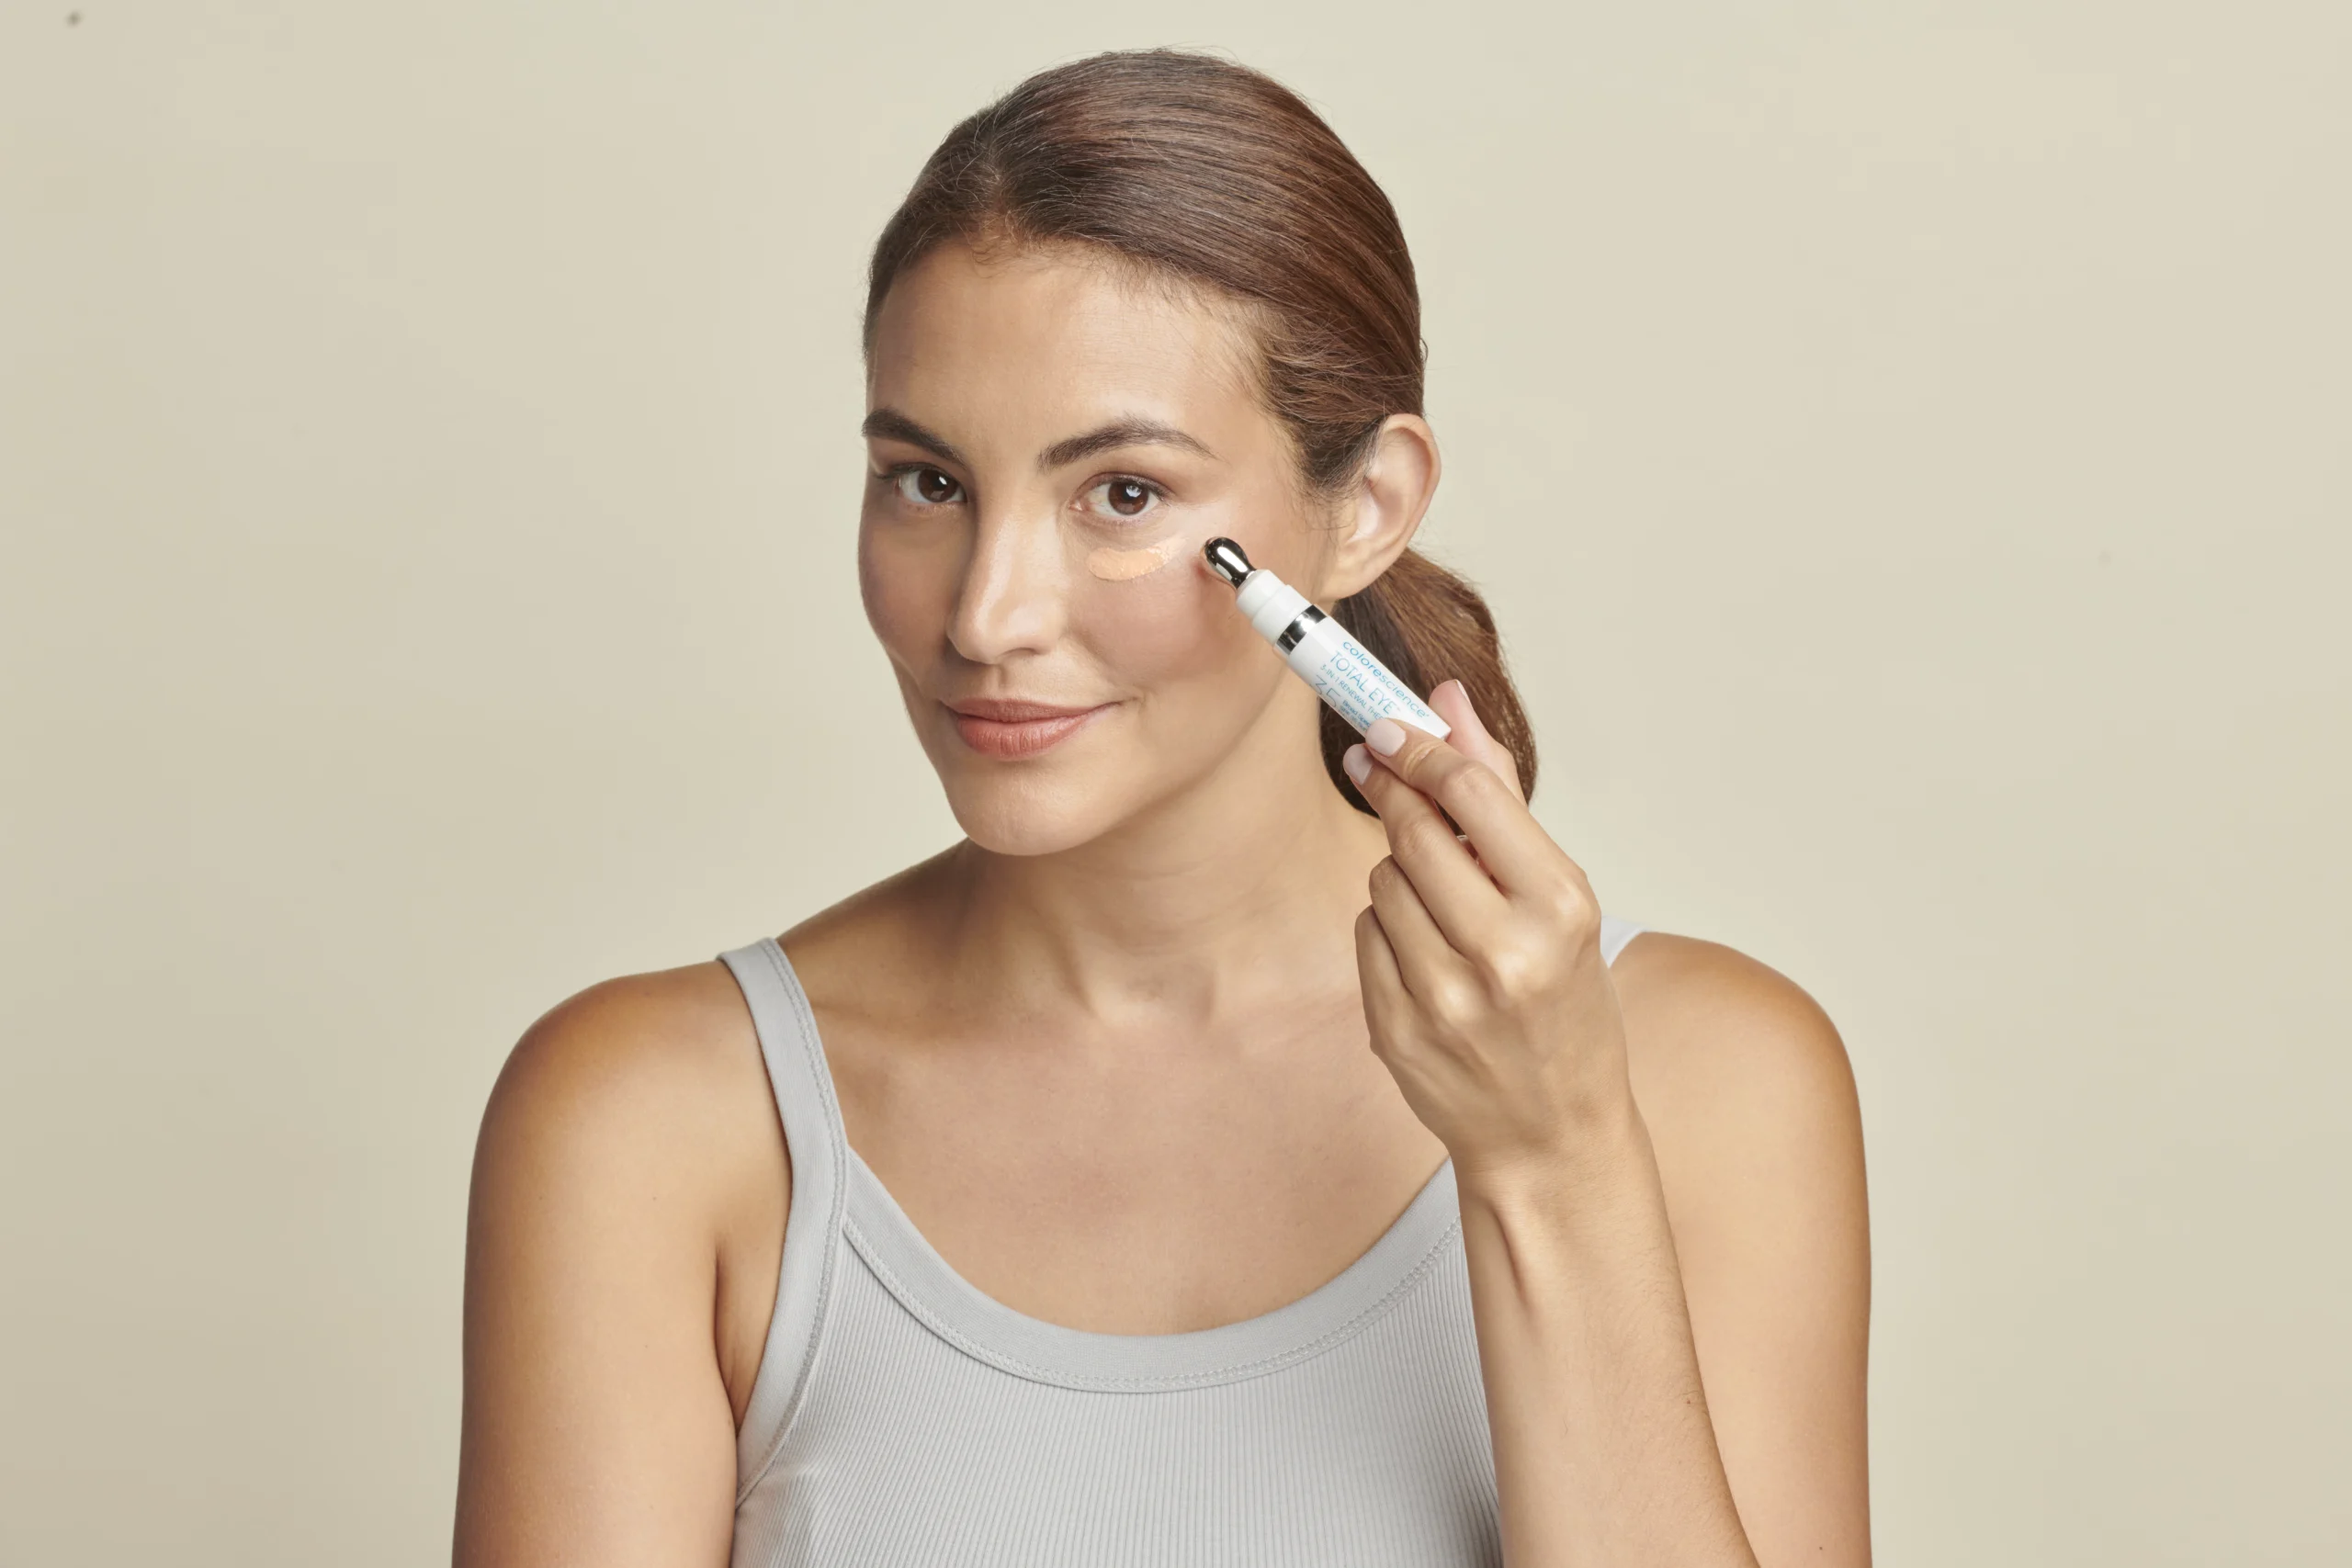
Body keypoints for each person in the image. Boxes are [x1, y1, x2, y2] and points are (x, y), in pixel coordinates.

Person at [453, 49, 1870, 1568]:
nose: (988, 615)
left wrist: (1553, 1163)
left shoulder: (1711, 1085)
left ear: (1367, 507)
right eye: (927, 481)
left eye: (1122, 492)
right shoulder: (658, 1124)